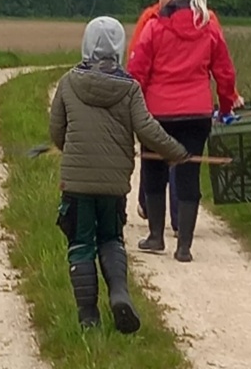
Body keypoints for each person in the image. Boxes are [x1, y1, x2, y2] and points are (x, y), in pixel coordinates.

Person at [49, 16, 191, 332]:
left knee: (81, 243)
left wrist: (68, 148)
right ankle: (119, 294)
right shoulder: (129, 88)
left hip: (76, 184)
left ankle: (88, 318)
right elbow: (147, 130)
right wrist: (176, 152)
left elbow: (56, 130)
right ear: (119, 49)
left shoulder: (68, 82)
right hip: (114, 186)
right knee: (112, 239)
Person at [126, 0, 240, 263]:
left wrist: (131, 112)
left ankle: (155, 237)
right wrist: (226, 108)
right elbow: (225, 73)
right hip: (196, 113)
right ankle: (184, 247)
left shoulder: (154, 28)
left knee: (154, 171)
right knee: (189, 173)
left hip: (157, 114)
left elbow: (137, 73)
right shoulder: (209, 26)